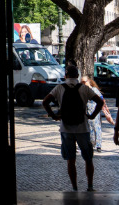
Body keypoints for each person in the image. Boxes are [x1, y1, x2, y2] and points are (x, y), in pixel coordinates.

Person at [41, 64, 104, 192]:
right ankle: (90, 186)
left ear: (66, 75)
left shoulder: (59, 88)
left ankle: (74, 187)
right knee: (88, 159)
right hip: (83, 128)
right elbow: (100, 102)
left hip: (66, 128)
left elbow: (45, 102)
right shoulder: (84, 89)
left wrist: (54, 116)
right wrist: (92, 116)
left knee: (70, 160)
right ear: (77, 76)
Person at [80, 74, 115, 151]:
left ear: (88, 81)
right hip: (86, 113)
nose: (82, 83)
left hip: (94, 112)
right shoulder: (82, 91)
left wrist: (104, 109)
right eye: (81, 82)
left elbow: (101, 100)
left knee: (96, 128)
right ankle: (91, 144)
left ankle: (98, 145)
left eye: (84, 82)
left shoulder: (94, 90)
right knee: (88, 129)